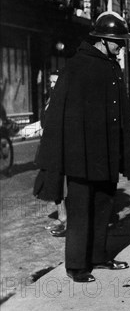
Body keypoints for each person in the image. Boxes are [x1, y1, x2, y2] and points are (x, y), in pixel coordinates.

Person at [36, 11, 130, 283]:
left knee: (103, 205)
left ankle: (98, 256)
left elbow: (120, 110)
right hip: (81, 154)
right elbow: (59, 114)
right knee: (81, 209)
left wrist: (124, 150)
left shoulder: (112, 65)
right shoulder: (77, 65)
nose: (121, 47)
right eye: (117, 41)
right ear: (103, 40)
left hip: (106, 152)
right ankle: (76, 264)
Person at [34, 70, 68, 237]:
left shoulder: (64, 101)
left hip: (60, 149)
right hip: (50, 149)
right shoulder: (50, 100)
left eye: (56, 82)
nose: (53, 86)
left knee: (61, 185)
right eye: (51, 83)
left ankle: (66, 219)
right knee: (53, 184)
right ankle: (62, 216)